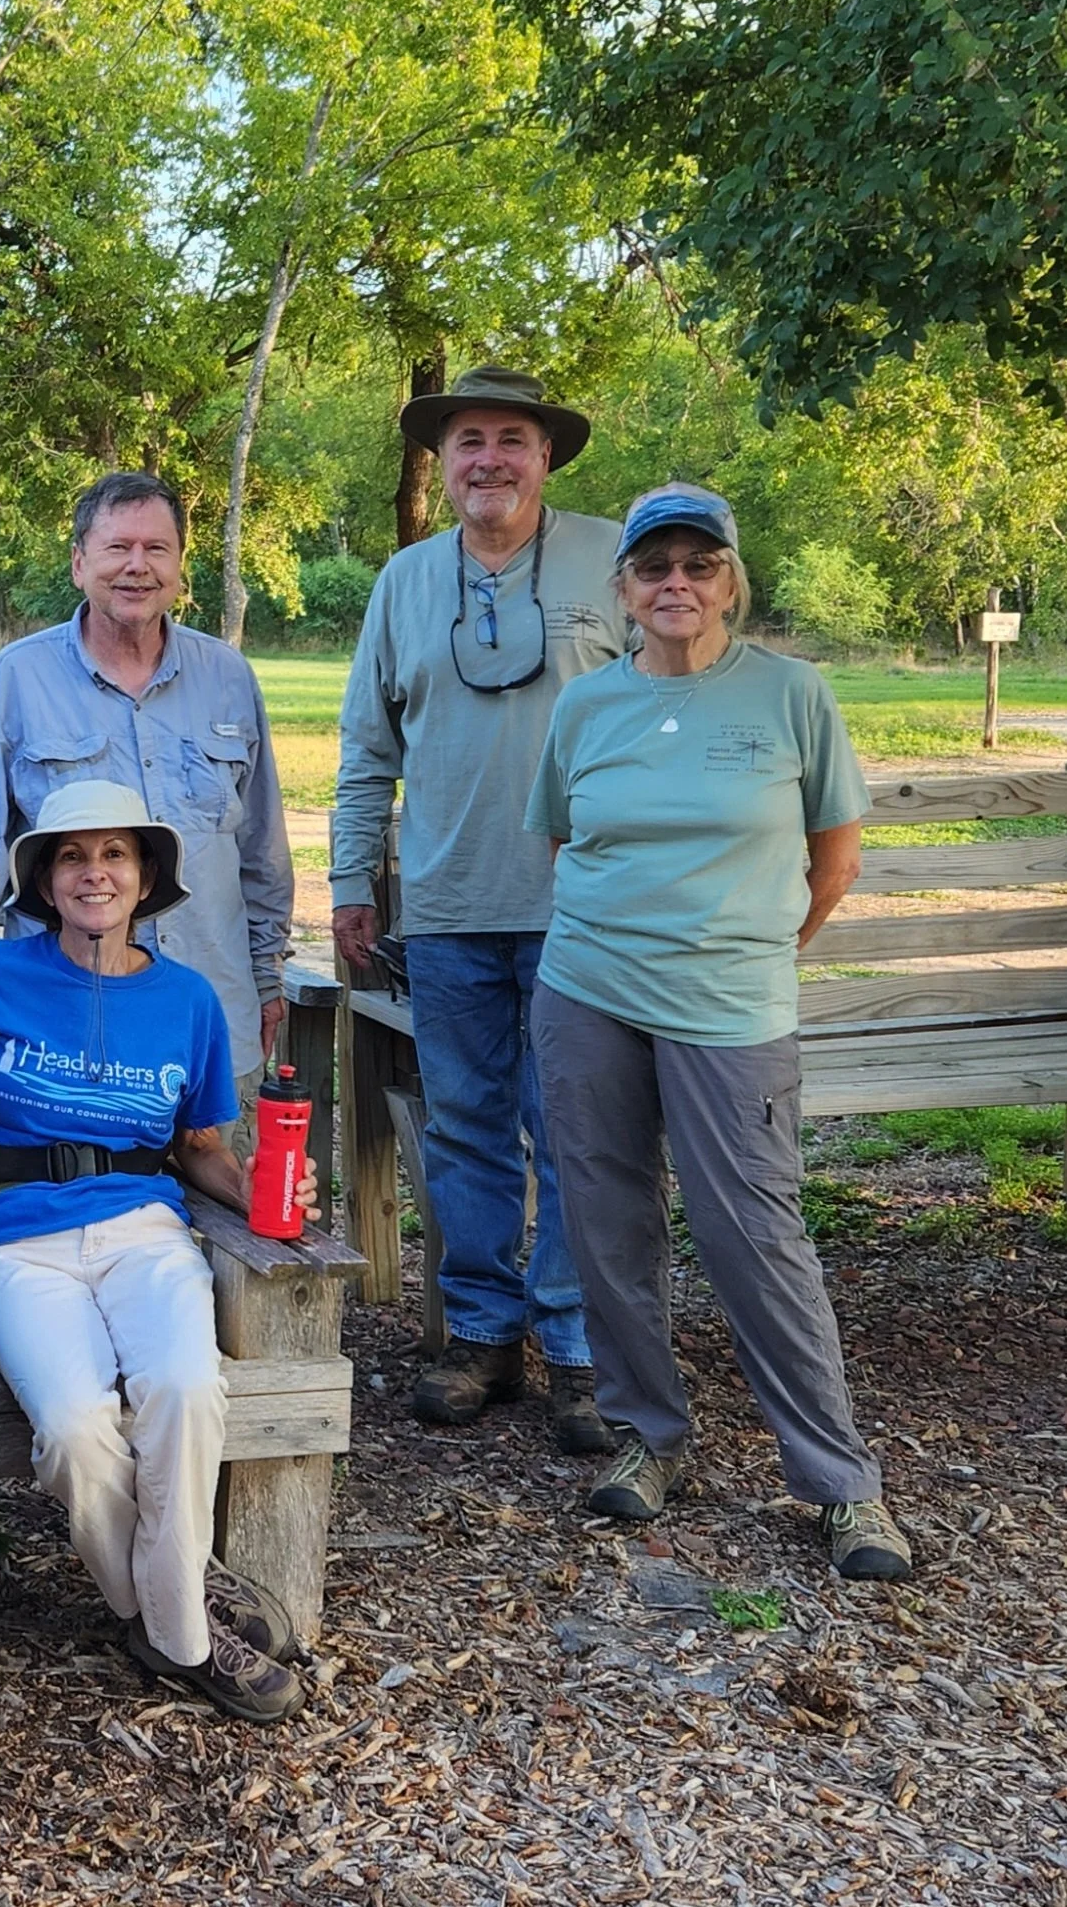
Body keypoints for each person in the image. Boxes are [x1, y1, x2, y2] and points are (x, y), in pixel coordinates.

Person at [526, 484, 910, 1581]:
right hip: (587, 992)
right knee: (604, 1224)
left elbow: (831, 863)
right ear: (623, 589)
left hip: (730, 1007)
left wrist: (742, 947)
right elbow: (563, 846)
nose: (675, 585)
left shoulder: (790, 695)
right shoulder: (585, 706)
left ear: (730, 580)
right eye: (654, 567)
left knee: (753, 1237)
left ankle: (840, 1483)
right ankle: (651, 1436)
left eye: (699, 565)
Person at [0, 782, 313, 1725]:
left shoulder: (185, 1001)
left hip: (145, 1232)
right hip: (13, 1240)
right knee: (73, 1425)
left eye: (115, 856)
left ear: (146, 880)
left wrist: (271, 1203)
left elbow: (199, 1148)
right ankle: (185, 1618)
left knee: (184, 1386)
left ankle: (168, 1625)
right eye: (71, 857)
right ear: (44, 881)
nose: (93, 873)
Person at [331, 366, 623, 1450]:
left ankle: (584, 1349)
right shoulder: (403, 583)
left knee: (580, 1128)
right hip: (446, 907)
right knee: (464, 1127)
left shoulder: (611, 559)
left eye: (510, 438)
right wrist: (353, 882)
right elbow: (365, 751)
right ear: (440, 462)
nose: (488, 459)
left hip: (585, 909)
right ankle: (483, 1334)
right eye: (467, 442)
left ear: (544, 455)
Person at [0, 472, 293, 1155]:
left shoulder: (229, 678)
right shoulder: (18, 682)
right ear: (78, 563)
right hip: (61, 1047)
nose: (137, 566)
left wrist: (267, 976)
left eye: (157, 549)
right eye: (117, 547)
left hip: (210, 1023)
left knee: (228, 1228)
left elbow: (262, 848)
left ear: (181, 566)